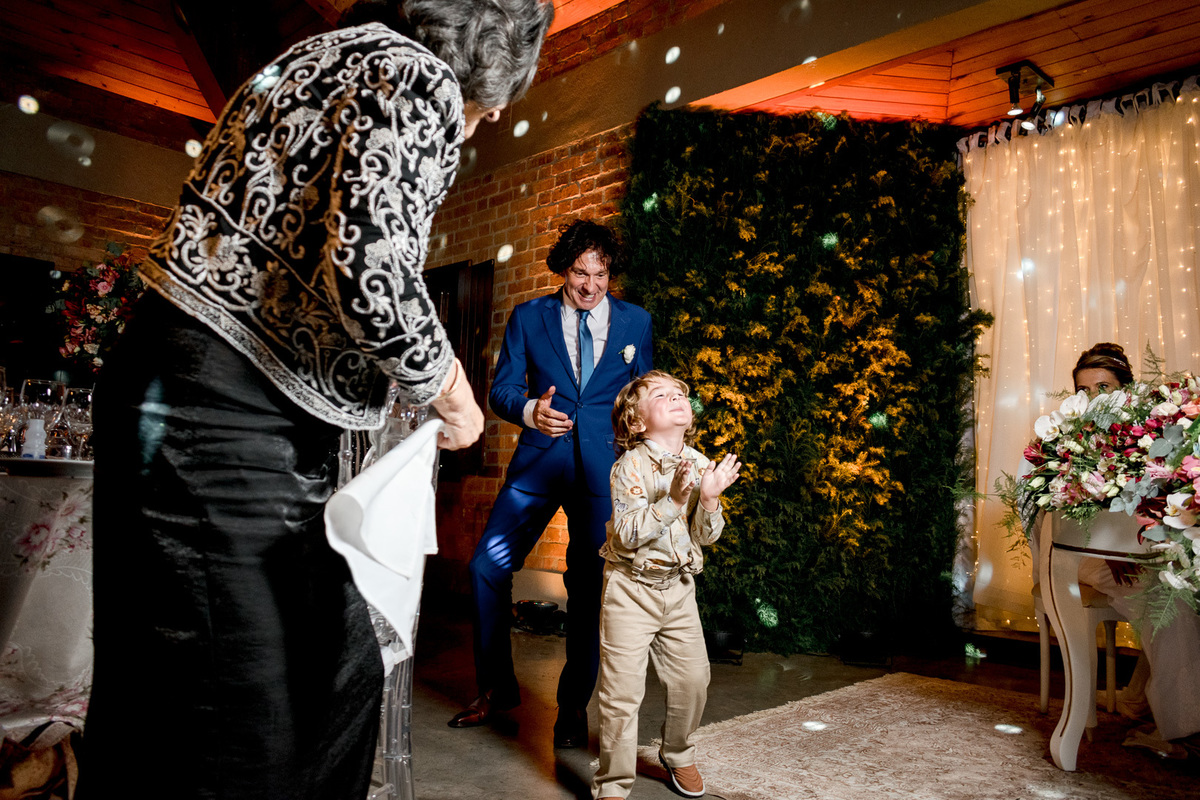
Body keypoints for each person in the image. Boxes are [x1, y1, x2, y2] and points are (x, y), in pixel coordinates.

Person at [80, 2, 554, 798]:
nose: (499, 112)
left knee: (159, 693)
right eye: (509, 88)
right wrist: (452, 391)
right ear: (489, 51)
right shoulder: (419, 76)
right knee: (260, 706)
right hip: (228, 421)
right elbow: (370, 269)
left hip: (163, 390)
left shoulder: (314, 55)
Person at [448, 219, 654, 747]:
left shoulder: (636, 323)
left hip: (602, 474)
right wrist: (529, 411)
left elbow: (645, 398)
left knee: (587, 589)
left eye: (600, 274)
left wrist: (637, 442)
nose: (590, 285)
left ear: (610, 273)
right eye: (580, 273)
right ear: (563, 269)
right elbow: (501, 391)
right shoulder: (529, 317)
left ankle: (572, 709)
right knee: (486, 566)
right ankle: (496, 689)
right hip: (538, 465)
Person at [591, 370, 741, 800]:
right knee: (621, 695)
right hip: (630, 590)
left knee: (694, 679)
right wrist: (674, 500)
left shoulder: (697, 462)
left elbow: (705, 536)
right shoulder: (630, 465)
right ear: (637, 422)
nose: (676, 398)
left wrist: (709, 498)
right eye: (661, 395)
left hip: (678, 591)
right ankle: (613, 785)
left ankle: (677, 754)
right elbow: (625, 535)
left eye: (680, 394)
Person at [1070, 343, 1200, 756]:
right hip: (1091, 556)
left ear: (1125, 391)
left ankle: (1138, 699)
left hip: (1149, 550)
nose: (1094, 398)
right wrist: (1117, 552)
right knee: (1171, 605)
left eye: (1103, 386)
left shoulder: (1151, 432)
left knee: (1185, 596)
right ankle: (1184, 732)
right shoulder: (1066, 439)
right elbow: (1062, 520)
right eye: (1084, 389)